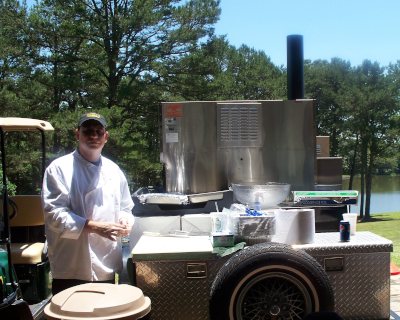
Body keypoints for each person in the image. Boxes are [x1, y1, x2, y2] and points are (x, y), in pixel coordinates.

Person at [42, 112, 134, 295]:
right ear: (77, 134)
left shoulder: (114, 170)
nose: (94, 136)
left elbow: (126, 207)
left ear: (106, 137)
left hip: (104, 259)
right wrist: (96, 227)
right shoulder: (59, 168)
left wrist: (125, 221)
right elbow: (54, 214)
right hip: (71, 262)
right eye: (88, 131)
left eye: (99, 132)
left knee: (102, 312)